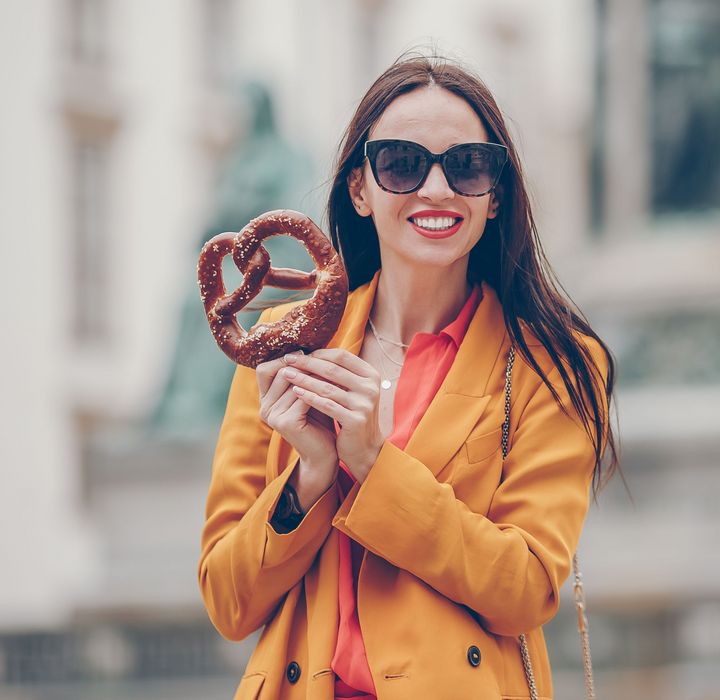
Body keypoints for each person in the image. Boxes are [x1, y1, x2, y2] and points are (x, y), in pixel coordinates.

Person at [198, 52, 619, 700]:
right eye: (402, 163)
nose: (437, 189)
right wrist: (307, 480)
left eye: (467, 165)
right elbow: (229, 603)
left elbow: (526, 587)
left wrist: (374, 466)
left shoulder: (548, 364)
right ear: (360, 189)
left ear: (496, 193)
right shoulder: (280, 343)